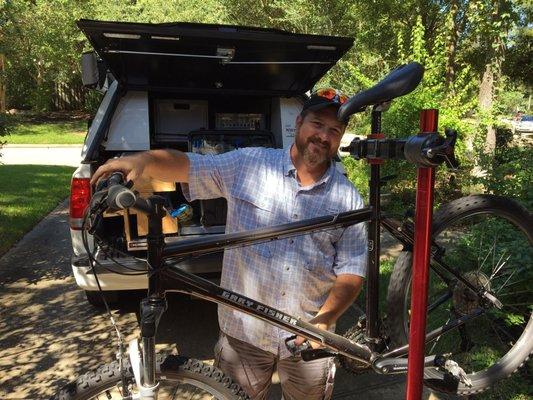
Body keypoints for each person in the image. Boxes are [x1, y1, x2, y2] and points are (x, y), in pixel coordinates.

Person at [91, 88, 367, 400]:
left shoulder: (348, 198)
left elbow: (352, 271)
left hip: (309, 338)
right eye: (317, 124)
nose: (323, 136)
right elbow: (189, 165)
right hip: (243, 335)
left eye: (334, 130)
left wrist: (326, 318)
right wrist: (142, 160)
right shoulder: (250, 164)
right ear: (300, 122)